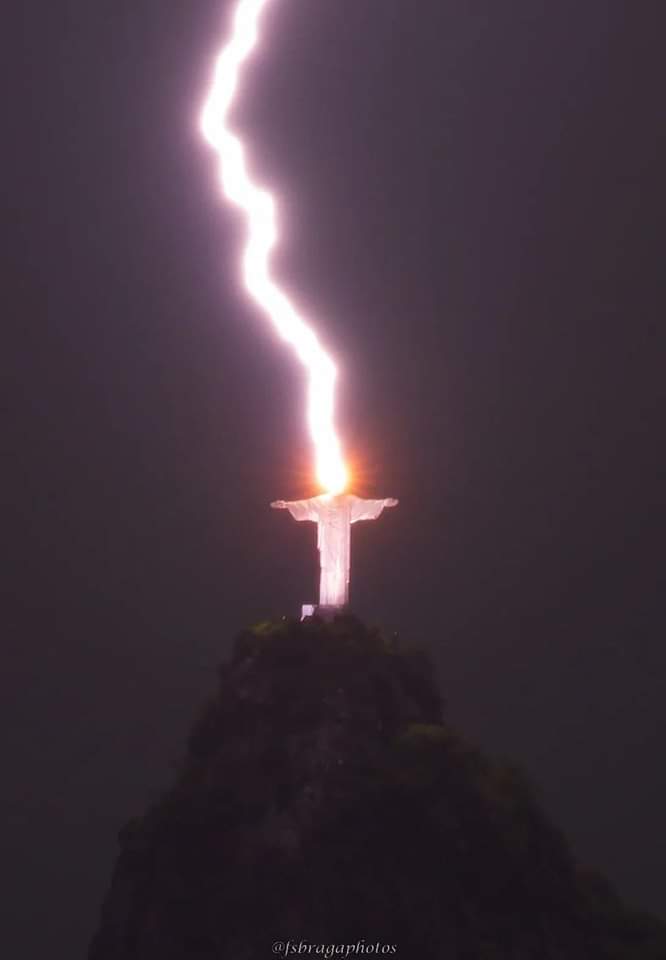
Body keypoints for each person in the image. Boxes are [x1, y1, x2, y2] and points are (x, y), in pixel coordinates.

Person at [271, 494, 398, 607]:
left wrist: (383, 503)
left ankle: (339, 604)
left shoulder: (348, 501)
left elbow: (366, 505)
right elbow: (305, 506)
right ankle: (326, 602)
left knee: (340, 571)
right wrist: (286, 505)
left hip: (341, 544)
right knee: (327, 571)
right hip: (328, 544)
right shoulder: (321, 501)